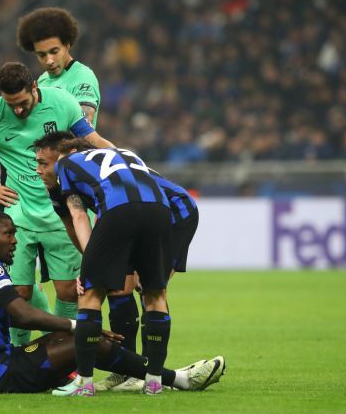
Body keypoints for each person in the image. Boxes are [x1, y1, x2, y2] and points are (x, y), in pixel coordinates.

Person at [0, 210, 225, 395]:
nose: (14, 241)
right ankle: (178, 379)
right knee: (91, 340)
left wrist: (70, 329)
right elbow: (21, 315)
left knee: (67, 337)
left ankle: (109, 376)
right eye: (8, 234)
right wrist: (78, 326)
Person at [0, 62, 113, 346]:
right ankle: (18, 355)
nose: (17, 110)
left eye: (21, 103)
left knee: (69, 291)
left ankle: (61, 357)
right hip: (18, 213)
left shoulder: (62, 102)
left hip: (63, 210)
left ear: (34, 88)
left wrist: (125, 161)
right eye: (11, 105)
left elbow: (91, 139)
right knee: (17, 294)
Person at [35, 136, 217, 395]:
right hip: (159, 211)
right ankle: (152, 382)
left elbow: (77, 215)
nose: (39, 169)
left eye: (44, 163)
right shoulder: (119, 157)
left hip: (146, 211)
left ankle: (84, 384)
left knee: (91, 292)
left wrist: (90, 268)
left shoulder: (67, 164)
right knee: (154, 294)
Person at [19, 9, 142, 391]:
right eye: (41, 55)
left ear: (68, 44)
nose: (49, 60)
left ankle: (128, 368)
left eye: (54, 51)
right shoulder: (39, 81)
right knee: (79, 284)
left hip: (84, 193)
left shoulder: (82, 78)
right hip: (57, 193)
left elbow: (80, 134)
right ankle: (79, 363)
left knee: (105, 281)